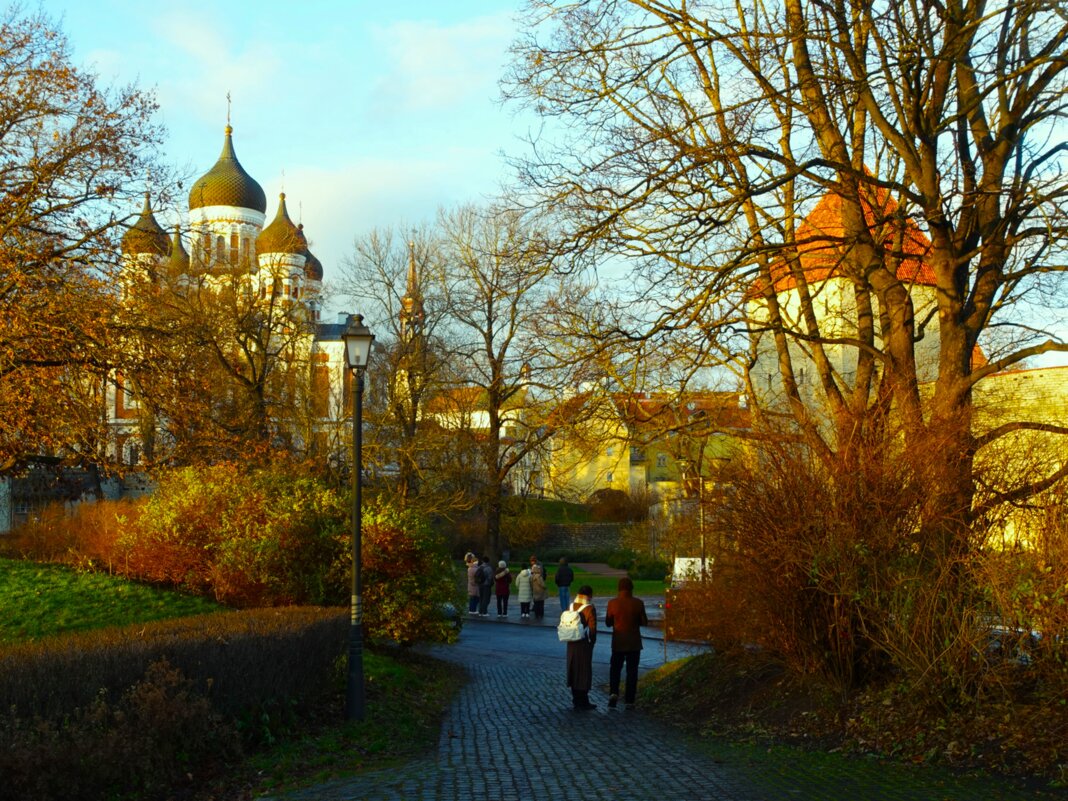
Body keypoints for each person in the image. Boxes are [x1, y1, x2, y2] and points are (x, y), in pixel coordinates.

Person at [605, 576, 649, 708]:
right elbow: (644, 622)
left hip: (618, 642)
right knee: (632, 671)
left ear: (619, 588)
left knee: (615, 669)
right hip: (634, 642)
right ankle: (630, 700)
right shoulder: (638, 603)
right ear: (631, 588)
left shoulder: (612, 603)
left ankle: (614, 692)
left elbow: (608, 623)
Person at [565, 584, 597, 711]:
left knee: (573, 670)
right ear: (589, 596)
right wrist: (592, 643)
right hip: (583, 645)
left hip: (571, 643)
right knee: (583, 672)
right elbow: (593, 629)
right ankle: (583, 701)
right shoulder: (589, 608)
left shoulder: (571, 606)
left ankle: (575, 699)